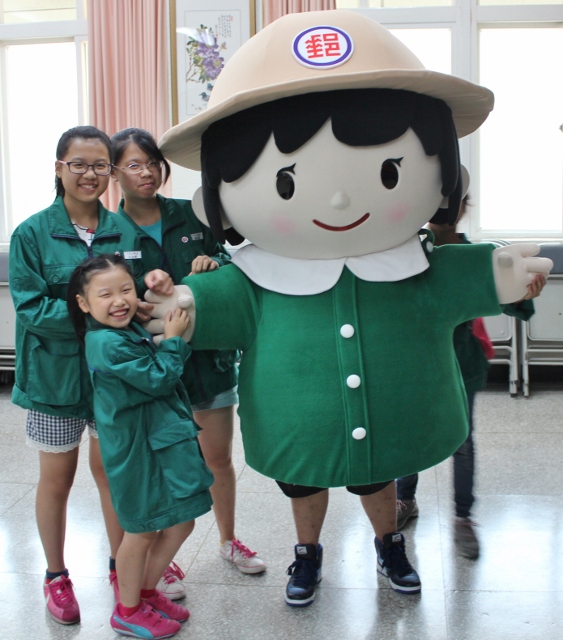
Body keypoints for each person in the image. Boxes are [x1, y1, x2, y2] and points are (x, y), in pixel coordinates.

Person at [147, 11, 551, 608]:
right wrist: (178, 302)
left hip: (390, 416)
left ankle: (388, 544)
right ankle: (307, 554)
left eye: (392, 170)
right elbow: (214, 302)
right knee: (302, 479)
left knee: (376, 472)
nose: (337, 198)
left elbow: (468, 275)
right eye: (284, 182)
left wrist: (509, 277)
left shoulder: (419, 261)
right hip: (295, 421)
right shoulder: (257, 275)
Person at [7, 125, 165, 625]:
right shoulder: (31, 233)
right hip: (52, 383)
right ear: (60, 169)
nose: (90, 175)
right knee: (56, 480)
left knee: (113, 476)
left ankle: (123, 568)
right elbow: (31, 308)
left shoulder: (124, 231)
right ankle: (56, 576)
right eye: (79, 164)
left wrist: (155, 285)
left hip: (113, 381)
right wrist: (99, 316)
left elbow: (137, 294)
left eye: (101, 165)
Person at [109, 127, 265, 587]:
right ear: (116, 172)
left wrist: (212, 265)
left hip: (208, 360)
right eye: (134, 164)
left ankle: (228, 539)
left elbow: (233, 267)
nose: (147, 172)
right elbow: (105, 297)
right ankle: (165, 554)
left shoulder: (190, 216)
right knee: (162, 464)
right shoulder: (110, 232)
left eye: (153, 162)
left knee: (217, 459)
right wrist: (137, 298)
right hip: (153, 368)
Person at [67, 253, 213, 639]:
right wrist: (175, 341)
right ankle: (127, 610)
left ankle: (145, 593)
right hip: (137, 450)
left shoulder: (126, 330)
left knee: (183, 519)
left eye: (126, 290)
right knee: (142, 530)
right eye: (106, 295)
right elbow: (158, 379)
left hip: (159, 442)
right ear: (84, 304)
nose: (119, 301)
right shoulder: (107, 343)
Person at [396, 196, 546, 559]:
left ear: (464, 206)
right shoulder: (406, 252)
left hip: (462, 362)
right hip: (414, 362)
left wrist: (525, 289)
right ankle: (405, 500)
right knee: (410, 433)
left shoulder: (479, 256)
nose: (443, 210)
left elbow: (517, 303)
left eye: (451, 202)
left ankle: (463, 518)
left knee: (462, 442)